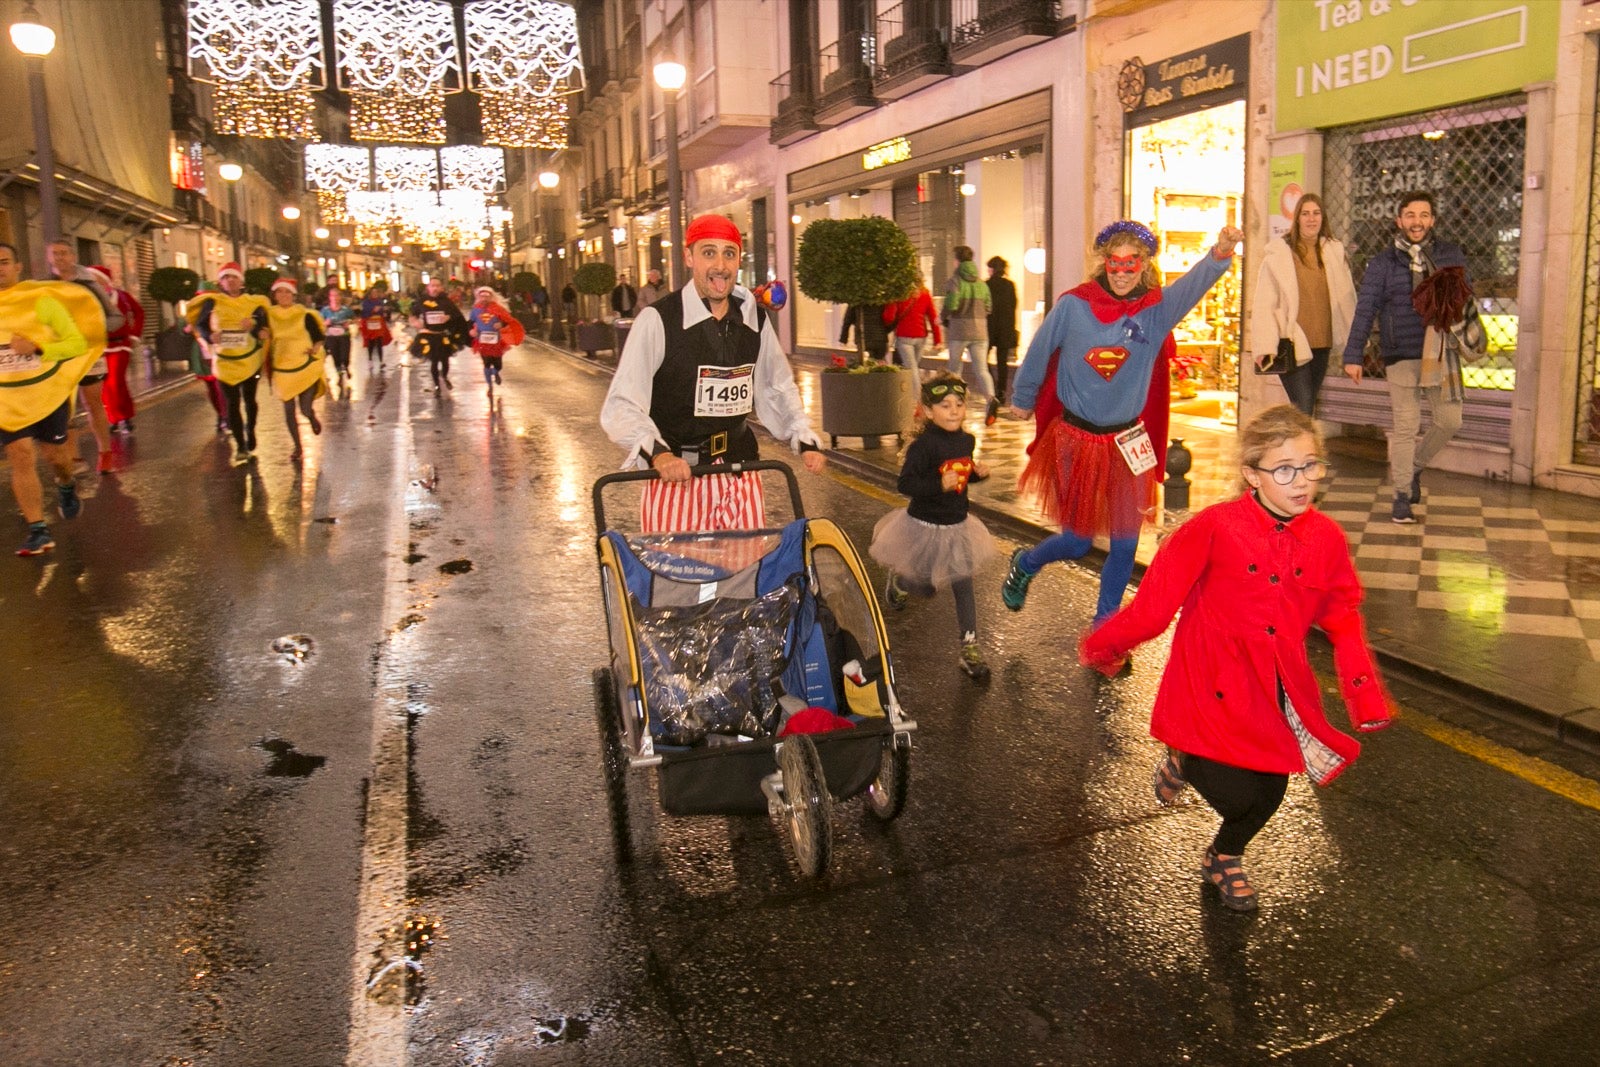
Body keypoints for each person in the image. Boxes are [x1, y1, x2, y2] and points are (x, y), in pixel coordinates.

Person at [1080, 404, 1394, 911]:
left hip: (1273, 683)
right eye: (1285, 469)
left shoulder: (1325, 538)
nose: (1301, 482)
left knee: (1269, 790)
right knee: (1235, 793)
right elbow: (1155, 608)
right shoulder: (1214, 527)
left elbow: (1343, 615)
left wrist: (1364, 694)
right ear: (1252, 473)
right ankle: (1184, 756)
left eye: (1310, 465)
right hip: (1208, 679)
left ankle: (1224, 854)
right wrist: (1102, 645)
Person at [1005, 220, 1242, 628]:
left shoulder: (1156, 311)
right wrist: (1024, 397)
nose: (1121, 272)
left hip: (1128, 442)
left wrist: (1219, 253)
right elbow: (1040, 350)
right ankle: (1026, 562)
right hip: (1075, 438)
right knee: (1077, 541)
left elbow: (1192, 286)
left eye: (1130, 263)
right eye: (1114, 263)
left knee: (1125, 542)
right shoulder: (1073, 305)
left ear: (1145, 264)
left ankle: (1106, 627)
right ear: (1103, 263)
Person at [600, 213, 825, 532]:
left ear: (738, 261)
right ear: (689, 257)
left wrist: (801, 435)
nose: (720, 265)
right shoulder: (658, 320)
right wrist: (658, 454)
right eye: (709, 252)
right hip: (678, 476)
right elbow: (623, 402)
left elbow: (776, 385)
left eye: (729, 253)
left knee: (745, 573)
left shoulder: (754, 320)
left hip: (740, 471)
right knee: (679, 576)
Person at [1342, 191, 1484, 525]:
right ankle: (1402, 495)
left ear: (1432, 220)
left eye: (1423, 215)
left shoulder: (1450, 254)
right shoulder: (1382, 263)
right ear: (1399, 221)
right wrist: (1354, 355)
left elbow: (1465, 295)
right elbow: (1366, 310)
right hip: (1401, 352)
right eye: (1410, 215)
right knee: (1405, 426)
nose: (1416, 221)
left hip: (1440, 353)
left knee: (1450, 421)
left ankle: (1415, 467)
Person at [870, 373, 998, 681]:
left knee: (963, 584)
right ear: (928, 411)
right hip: (924, 526)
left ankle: (969, 648)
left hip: (959, 525)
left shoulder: (967, 440)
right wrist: (937, 484)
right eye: (944, 405)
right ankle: (900, 583)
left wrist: (978, 474)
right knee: (925, 588)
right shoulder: (923, 447)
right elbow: (906, 484)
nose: (953, 410)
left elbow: (962, 474)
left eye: (959, 404)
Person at [0, 242, 103, 555]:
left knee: (56, 458)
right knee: (19, 453)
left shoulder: (41, 300)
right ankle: (38, 530)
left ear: (18, 267)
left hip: (47, 395)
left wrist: (39, 348)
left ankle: (66, 485)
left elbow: (76, 343)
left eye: (4, 261)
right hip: (7, 401)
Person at [1248, 193, 1355, 418]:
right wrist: (1264, 346)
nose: (1311, 218)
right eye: (1305, 213)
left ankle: (1295, 450)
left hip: (1322, 343)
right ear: (1297, 218)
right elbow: (1265, 303)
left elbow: (1347, 297)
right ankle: (1301, 452)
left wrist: (1353, 340)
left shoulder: (1333, 252)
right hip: (1293, 343)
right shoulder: (1280, 255)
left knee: (1306, 409)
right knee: (1304, 407)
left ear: (1323, 218)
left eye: (1316, 213)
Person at [48, 240, 123, 473]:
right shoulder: (43, 286)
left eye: (64, 253)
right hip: (59, 355)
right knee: (64, 407)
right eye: (55, 254)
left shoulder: (90, 285)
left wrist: (94, 329)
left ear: (73, 256)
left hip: (88, 353)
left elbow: (115, 317)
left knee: (93, 403)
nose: (60, 258)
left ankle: (105, 452)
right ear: (49, 259)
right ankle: (74, 457)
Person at [188, 261, 269, 465]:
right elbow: (200, 324)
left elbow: (264, 323)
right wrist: (209, 336)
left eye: (233, 277)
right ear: (220, 282)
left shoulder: (254, 302)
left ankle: (250, 430)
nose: (230, 281)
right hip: (225, 362)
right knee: (232, 404)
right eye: (225, 278)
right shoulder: (212, 302)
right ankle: (241, 446)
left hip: (249, 360)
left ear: (240, 281)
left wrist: (254, 324)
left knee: (250, 401)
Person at [265, 278, 327, 461]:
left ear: (293, 295)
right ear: (275, 295)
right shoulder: (268, 315)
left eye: (287, 292)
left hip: (304, 367)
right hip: (283, 369)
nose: (283, 295)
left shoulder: (304, 315)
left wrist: (315, 348)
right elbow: (259, 332)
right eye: (279, 292)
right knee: (288, 409)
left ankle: (311, 417)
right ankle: (298, 447)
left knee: (305, 408)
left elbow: (318, 337)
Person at [87, 265, 145, 438]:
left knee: (114, 381)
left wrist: (135, 335)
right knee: (104, 384)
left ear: (105, 280)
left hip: (121, 344)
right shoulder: (89, 299)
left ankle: (120, 417)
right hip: (99, 346)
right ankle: (116, 418)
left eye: (95, 279)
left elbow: (139, 312)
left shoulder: (122, 297)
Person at [942, 246, 997, 423]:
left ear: (957, 260)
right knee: (981, 369)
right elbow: (989, 307)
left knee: (954, 369)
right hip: (981, 331)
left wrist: (943, 316)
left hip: (959, 330)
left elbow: (952, 305)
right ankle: (991, 399)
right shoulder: (982, 283)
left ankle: (956, 404)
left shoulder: (955, 281)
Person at [408, 277, 470, 393]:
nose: (435, 288)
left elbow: (457, 316)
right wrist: (415, 322)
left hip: (442, 335)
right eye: (433, 286)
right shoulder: (422, 301)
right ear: (428, 288)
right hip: (429, 335)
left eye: (437, 286)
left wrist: (448, 317)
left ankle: (445, 376)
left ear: (441, 288)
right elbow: (413, 314)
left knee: (445, 360)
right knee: (434, 361)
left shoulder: (446, 301)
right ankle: (436, 385)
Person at [882, 280, 941, 378]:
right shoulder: (925, 293)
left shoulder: (900, 293)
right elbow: (933, 317)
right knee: (913, 368)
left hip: (904, 336)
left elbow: (889, 317)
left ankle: (916, 392)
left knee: (911, 370)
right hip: (921, 337)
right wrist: (937, 340)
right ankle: (910, 391)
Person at [468, 286, 519, 398]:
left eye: (487, 296)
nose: (484, 299)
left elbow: (507, 320)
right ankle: (489, 386)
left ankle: (495, 372)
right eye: (482, 296)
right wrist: (471, 330)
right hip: (482, 341)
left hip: (496, 341)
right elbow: (470, 322)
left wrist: (501, 324)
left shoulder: (498, 308)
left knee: (498, 364)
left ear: (491, 297)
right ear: (478, 297)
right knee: (486, 363)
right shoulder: (476, 310)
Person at [985, 256, 1019, 405]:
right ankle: (1001, 391)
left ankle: (991, 385)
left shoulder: (986, 285)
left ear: (991, 269)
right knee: (1002, 362)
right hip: (1005, 328)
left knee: (982, 360)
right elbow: (1013, 306)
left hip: (989, 328)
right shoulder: (1010, 285)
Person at [319, 285, 358, 383]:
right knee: (335, 356)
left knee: (345, 356)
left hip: (344, 336)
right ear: (329, 297)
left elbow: (355, 319)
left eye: (337, 295)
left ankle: (346, 367)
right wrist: (325, 323)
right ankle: (339, 374)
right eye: (333, 296)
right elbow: (319, 323)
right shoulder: (325, 310)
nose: (335, 298)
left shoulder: (346, 310)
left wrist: (349, 322)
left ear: (340, 297)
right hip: (331, 337)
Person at [358, 284, 393, 367]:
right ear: (370, 294)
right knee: (371, 342)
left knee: (379, 341)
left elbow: (382, 311)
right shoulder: (366, 302)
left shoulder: (379, 301)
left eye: (376, 292)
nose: (375, 294)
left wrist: (383, 313)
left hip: (378, 323)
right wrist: (373, 310)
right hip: (370, 324)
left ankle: (381, 361)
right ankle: (370, 360)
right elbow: (364, 313)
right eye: (373, 292)